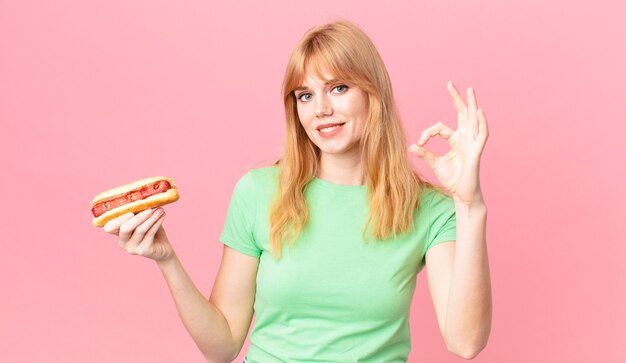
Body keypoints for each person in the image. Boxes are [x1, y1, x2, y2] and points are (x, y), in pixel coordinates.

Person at [103, 20, 492, 363]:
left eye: (338, 88)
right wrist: (167, 259)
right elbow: (221, 348)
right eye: (305, 95)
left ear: (373, 95)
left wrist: (469, 205)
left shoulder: (430, 209)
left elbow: (465, 342)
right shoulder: (258, 192)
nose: (320, 108)